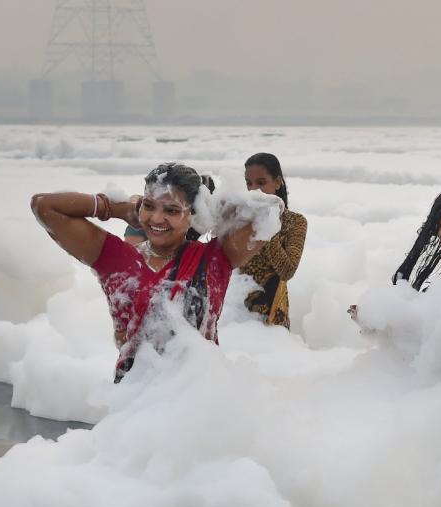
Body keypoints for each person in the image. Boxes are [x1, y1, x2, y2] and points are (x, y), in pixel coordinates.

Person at [30, 162, 271, 382]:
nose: (157, 218)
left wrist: (211, 213)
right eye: (148, 206)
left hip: (199, 398)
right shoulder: (115, 259)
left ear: (192, 215)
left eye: (172, 210)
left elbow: (270, 210)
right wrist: (116, 208)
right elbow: (44, 206)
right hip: (137, 401)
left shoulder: (214, 259)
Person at [240, 152, 308, 328]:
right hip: (236, 307)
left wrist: (267, 225)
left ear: (277, 182)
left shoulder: (295, 222)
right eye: (249, 183)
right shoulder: (240, 219)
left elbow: (287, 271)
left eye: (261, 183)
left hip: (273, 314)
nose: (254, 189)